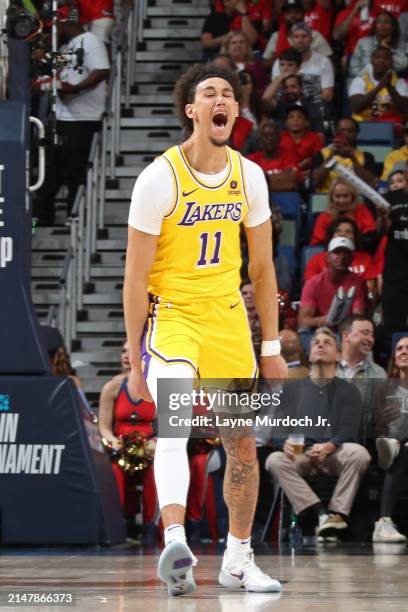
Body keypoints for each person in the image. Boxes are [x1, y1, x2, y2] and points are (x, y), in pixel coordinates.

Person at [124, 63, 287, 596]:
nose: (220, 99)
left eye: (228, 94)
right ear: (191, 111)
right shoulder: (158, 178)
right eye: (207, 93)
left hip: (227, 320)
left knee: (241, 445)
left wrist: (271, 346)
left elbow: (262, 271)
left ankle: (239, 559)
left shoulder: (250, 176)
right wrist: (134, 350)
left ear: (236, 112)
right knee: (172, 426)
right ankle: (176, 542)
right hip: (173, 316)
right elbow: (132, 278)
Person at [265, 327, 371, 539]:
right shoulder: (292, 389)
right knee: (274, 460)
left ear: (339, 355)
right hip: (300, 455)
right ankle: (319, 513)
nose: (320, 345)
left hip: (333, 453)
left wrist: (330, 445)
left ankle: (337, 513)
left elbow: (349, 428)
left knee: (359, 454)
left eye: (327, 343)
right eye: (316, 343)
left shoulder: (348, 390)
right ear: (310, 354)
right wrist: (281, 443)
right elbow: (277, 429)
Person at [33, 9, 110, 225]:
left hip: (83, 119)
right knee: (49, 172)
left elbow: (102, 70)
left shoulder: (90, 41)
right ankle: (44, 218)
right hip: (61, 117)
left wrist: (76, 89)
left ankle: (74, 217)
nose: (54, 31)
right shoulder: (65, 47)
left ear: (66, 22)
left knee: (75, 171)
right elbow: (56, 76)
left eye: (56, 25)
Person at [98, 340, 158, 543]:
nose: (125, 355)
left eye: (130, 351)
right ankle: (124, 522)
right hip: (121, 447)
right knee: (115, 471)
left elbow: (171, 425)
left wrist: (156, 442)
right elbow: (103, 426)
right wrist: (113, 440)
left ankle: (150, 527)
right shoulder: (112, 387)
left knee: (156, 471)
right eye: (123, 351)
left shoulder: (158, 386)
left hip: (149, 448)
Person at [372, 336, 408, 542]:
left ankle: (384, 521)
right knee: (398, 447)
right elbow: (377, 428)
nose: (403, 351)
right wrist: (383, 420)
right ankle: (384, 523)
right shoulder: (385, 389)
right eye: (400, 348)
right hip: (393, 441)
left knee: (401, 448)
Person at [298, 237, 367, 330]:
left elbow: (357, 318)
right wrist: (319, 321)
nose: (342, 257)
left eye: (346, 253)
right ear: (327, 257)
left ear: (351, 259)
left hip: (347, 330)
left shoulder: (358, 283)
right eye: (337, 252)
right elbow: (302, 320)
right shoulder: (313, 283)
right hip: (319, 330)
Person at [337, 315, 387, 442]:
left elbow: (381, 420)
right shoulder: (327, 367)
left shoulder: (378, 373)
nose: (370, 339)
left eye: (372, 335)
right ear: (346, 335)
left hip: (361, 445)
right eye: (365, 333)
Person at [304, 217, 378, 298]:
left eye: (348, 231)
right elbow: (310, 290)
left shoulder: (366, 259)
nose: (342, 234)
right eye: (338, 231)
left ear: (355, 236)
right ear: (331, 235)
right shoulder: (316, 260)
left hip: (358, 303)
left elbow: (370, 291)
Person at [271, 22, 334, 104]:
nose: (300, 40)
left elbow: (328, 95)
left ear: (311, 39)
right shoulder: (280, 62)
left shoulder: (324, 61)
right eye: (296, 36)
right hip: (285, 107)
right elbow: (274, 92)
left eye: (304, 36)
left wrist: (304, 105)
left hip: (314, 108)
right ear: (290, 40)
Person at [310, 178, 377, 251]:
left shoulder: (361, 210)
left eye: (345, 196)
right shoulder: (324, 217)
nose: (341, 200)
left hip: (359, 252)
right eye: (338, 196)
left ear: (352, 197)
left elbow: (370, 236)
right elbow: (317, 244)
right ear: (332, 198)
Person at [262, 0, 332, 71]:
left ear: (303, 14)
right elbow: (264, 64)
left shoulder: (315, 35)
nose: (292, 16)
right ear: (283, 16)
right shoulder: (276, 36)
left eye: (296, 12)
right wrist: (280, 59)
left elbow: (330, 62)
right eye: (288, 13)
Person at [312, 117, 377, 193]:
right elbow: (315, 182)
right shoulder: (321, 154)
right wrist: (330, 157)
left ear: (356, 134)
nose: (345, 134)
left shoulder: (366, 156)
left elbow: (371, 184)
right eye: (342, 130)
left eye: (350, 131)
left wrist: (354, 160)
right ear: (336, 132)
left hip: (356, 200)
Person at [380, 160, 408, 337]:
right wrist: (382, 218)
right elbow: (381, 231)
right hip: (395, 273)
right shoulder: (391, 197)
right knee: (391, 327)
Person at [349, 46, 408, 124]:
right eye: (377, 57)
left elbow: (405, 109)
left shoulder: (400, 82)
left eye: (387, 58)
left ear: (391, 62)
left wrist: (390, 88)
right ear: (371, 61)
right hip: (362, 125)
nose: (382, 60)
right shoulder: (360, 80)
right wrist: (379, 87)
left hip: (391, 126)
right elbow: (356, 107)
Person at [247, 119, 301, 191]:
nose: (269, 138)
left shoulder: (290, 157)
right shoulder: (251, 160)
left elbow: (291, 183)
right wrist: (281, 179)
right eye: (265, 136)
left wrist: (261, 181)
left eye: (273, 135)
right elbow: (248, 186)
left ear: (279, 138)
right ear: (260, 140)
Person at [349, 11, 407, 77]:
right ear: (375, 26)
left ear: (392, 27)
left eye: (386, 22)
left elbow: (403, 64)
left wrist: (387, 49)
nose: (382, 25)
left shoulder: (400, 44)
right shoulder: (363, 42)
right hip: (364, 80)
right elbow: (353, 69)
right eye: (379, 22)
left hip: (390, 82)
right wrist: (368, 78)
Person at [279, 105, 324, 185]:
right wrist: (299, 167)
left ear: (307, 123)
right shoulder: (279, 138)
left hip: (308, 176)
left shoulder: (315, 138)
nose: (295, 120)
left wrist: (311, 172)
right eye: (291, 117)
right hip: (285, 175)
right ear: (286, 123)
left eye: (299, 117)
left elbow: (319, 162)